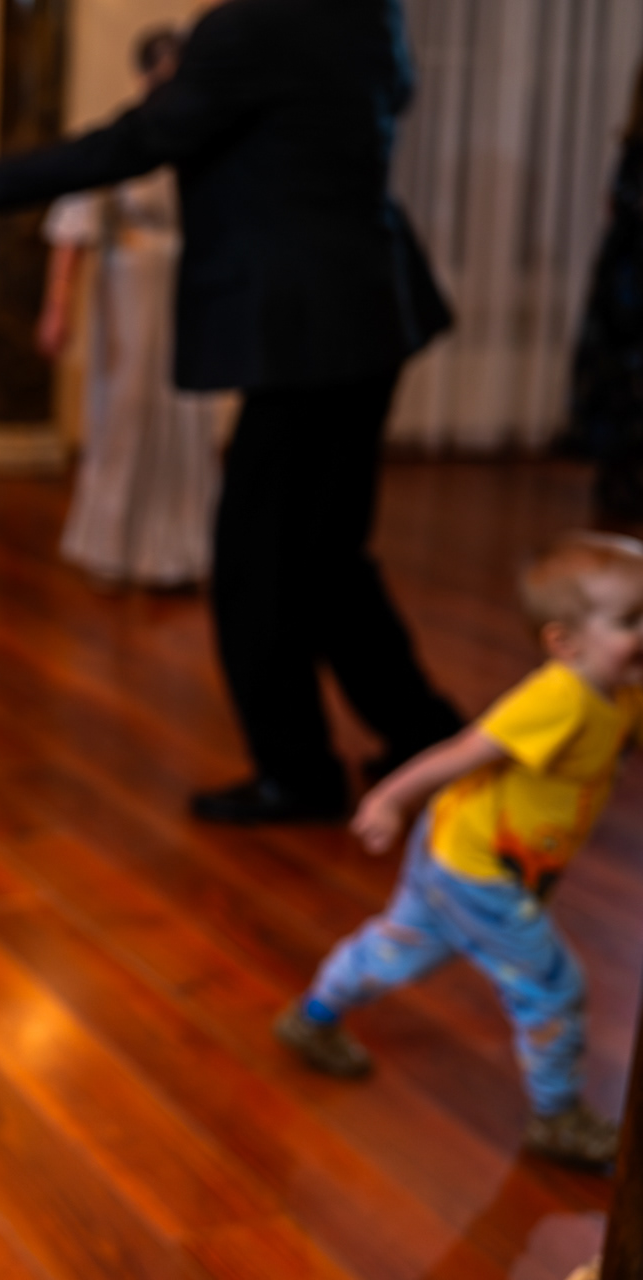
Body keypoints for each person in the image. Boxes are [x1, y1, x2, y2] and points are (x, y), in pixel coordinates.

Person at [0, 0, 463, 821]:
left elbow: (141, 139)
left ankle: (298, 771)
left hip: (303, 324)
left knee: (256, 563)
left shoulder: (248, 26)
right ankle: (427, 739)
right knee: (327, 554)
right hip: (371, 305)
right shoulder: (368, 12)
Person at [273, 532, 639, 1169]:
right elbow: (465, 750)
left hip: (454, 846)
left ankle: (313, 1017)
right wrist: (389, 799)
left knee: (403, 943)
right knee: (554, 989)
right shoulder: (558, 697)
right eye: (632, 621)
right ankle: (558, 1119)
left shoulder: (623, 687)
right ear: (565, 643)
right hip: (482, 872)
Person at [36, 25, 222, 590]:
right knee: (128, 403)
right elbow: (74, 226)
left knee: (189, 410)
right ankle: (114, 547)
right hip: (131, 281)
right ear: (142, 78)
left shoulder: (205, 139)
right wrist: (57, 305)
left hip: (191, 279)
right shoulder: (124, 138)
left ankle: (181, 550)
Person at [565, 60, 643, 521]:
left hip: (624, 283)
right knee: (625, 386)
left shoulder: (632, 151)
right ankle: (622, 478)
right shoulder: (635, 154)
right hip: (630, 288)